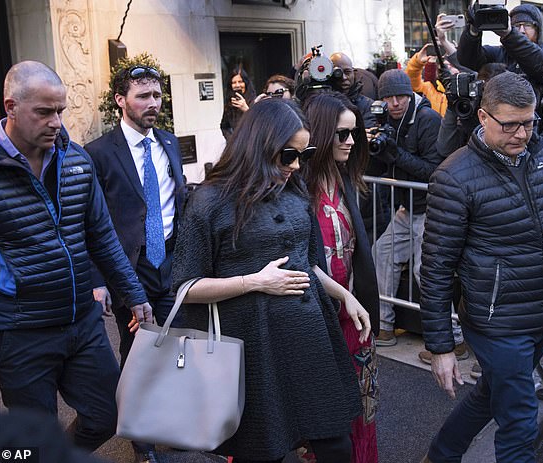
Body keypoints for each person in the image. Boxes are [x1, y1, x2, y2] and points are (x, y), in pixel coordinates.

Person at [172, 97, 371, 463]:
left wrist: (346, 296)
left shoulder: (293, 189)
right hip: (254, 350)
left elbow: (308, 265)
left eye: (303, 154)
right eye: (287, 156)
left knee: (337, 446)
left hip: (310, 342)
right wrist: (255, 282)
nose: (296, 166)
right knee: (264, 452)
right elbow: (185, 289)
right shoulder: (209, 201)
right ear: (259, 147)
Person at [418, 71, 543, 463]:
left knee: (492, 394)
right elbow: (434, 268)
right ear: (483, 118)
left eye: (528, 122)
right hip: (494, 321)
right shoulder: (453, 176)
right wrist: (441, 347)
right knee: (520, 421)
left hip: (541, 310)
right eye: (510, 124)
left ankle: (441, 454)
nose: (521, 134)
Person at [0, 61, 151, 451]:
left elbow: (102, 236)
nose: (55, 122)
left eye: (60, 111)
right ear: (11, 107)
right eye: (44, 112)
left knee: (109, 415)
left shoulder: (77, 161)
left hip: (82, 323)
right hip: (20, 332)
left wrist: (133, 294)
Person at [84, 64, 186, 463]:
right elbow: (88, 222)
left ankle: (170, 422)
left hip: (172, 265)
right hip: (129, 269)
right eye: (143, 96)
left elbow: (177, 202)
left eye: (157, 96)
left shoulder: (169, 143)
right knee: (139, 351)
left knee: (176, 346)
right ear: (120, 100)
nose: (152, 104)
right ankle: (141, 440)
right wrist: (99, 279)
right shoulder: (98, 153)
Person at [302, 92, 380, 462]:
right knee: (318, 420)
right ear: (318, 135)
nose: (350, 142)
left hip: (352, 315)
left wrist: (355, 298)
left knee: (359, 412)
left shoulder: (348, 180)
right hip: (312, 320)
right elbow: (296, 259)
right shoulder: (296, 187)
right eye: (341, 134)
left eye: (354, 134)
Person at [369, 69, 444, 348]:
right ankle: (385, 326)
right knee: (383, 253)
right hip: (406, 207)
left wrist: (396, 154)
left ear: (409, 94)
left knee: (425, 272)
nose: (395, 103)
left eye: (400, 96)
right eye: (388, 98)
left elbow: (433, 171)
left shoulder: (427, 120)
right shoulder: (384, 118)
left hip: (432, 208)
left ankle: (450, 339)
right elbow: (379, 165)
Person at [458, 4, 543, 85]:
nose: (522, 31)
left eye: (527, 25)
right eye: (517, 26)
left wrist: (510, 34)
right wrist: (473, 31)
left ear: (537, 29)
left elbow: (542, 67)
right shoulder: (499, 53)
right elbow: (468, 59)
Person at [330, 52, 377, 127]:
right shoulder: (324, 105)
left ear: (354, 73)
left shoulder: (367, 105)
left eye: (347, 72)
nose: (344, 78)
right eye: (338, 73)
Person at [220, 66, 256, 140]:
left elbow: (261, 124)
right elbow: (224, 126)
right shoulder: (230, 103)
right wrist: (232, 140)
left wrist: (246, 109)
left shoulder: (255, 101)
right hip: (236, 147)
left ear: (246, 83)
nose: (237, 85)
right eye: (234, 82)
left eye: (240, 82)